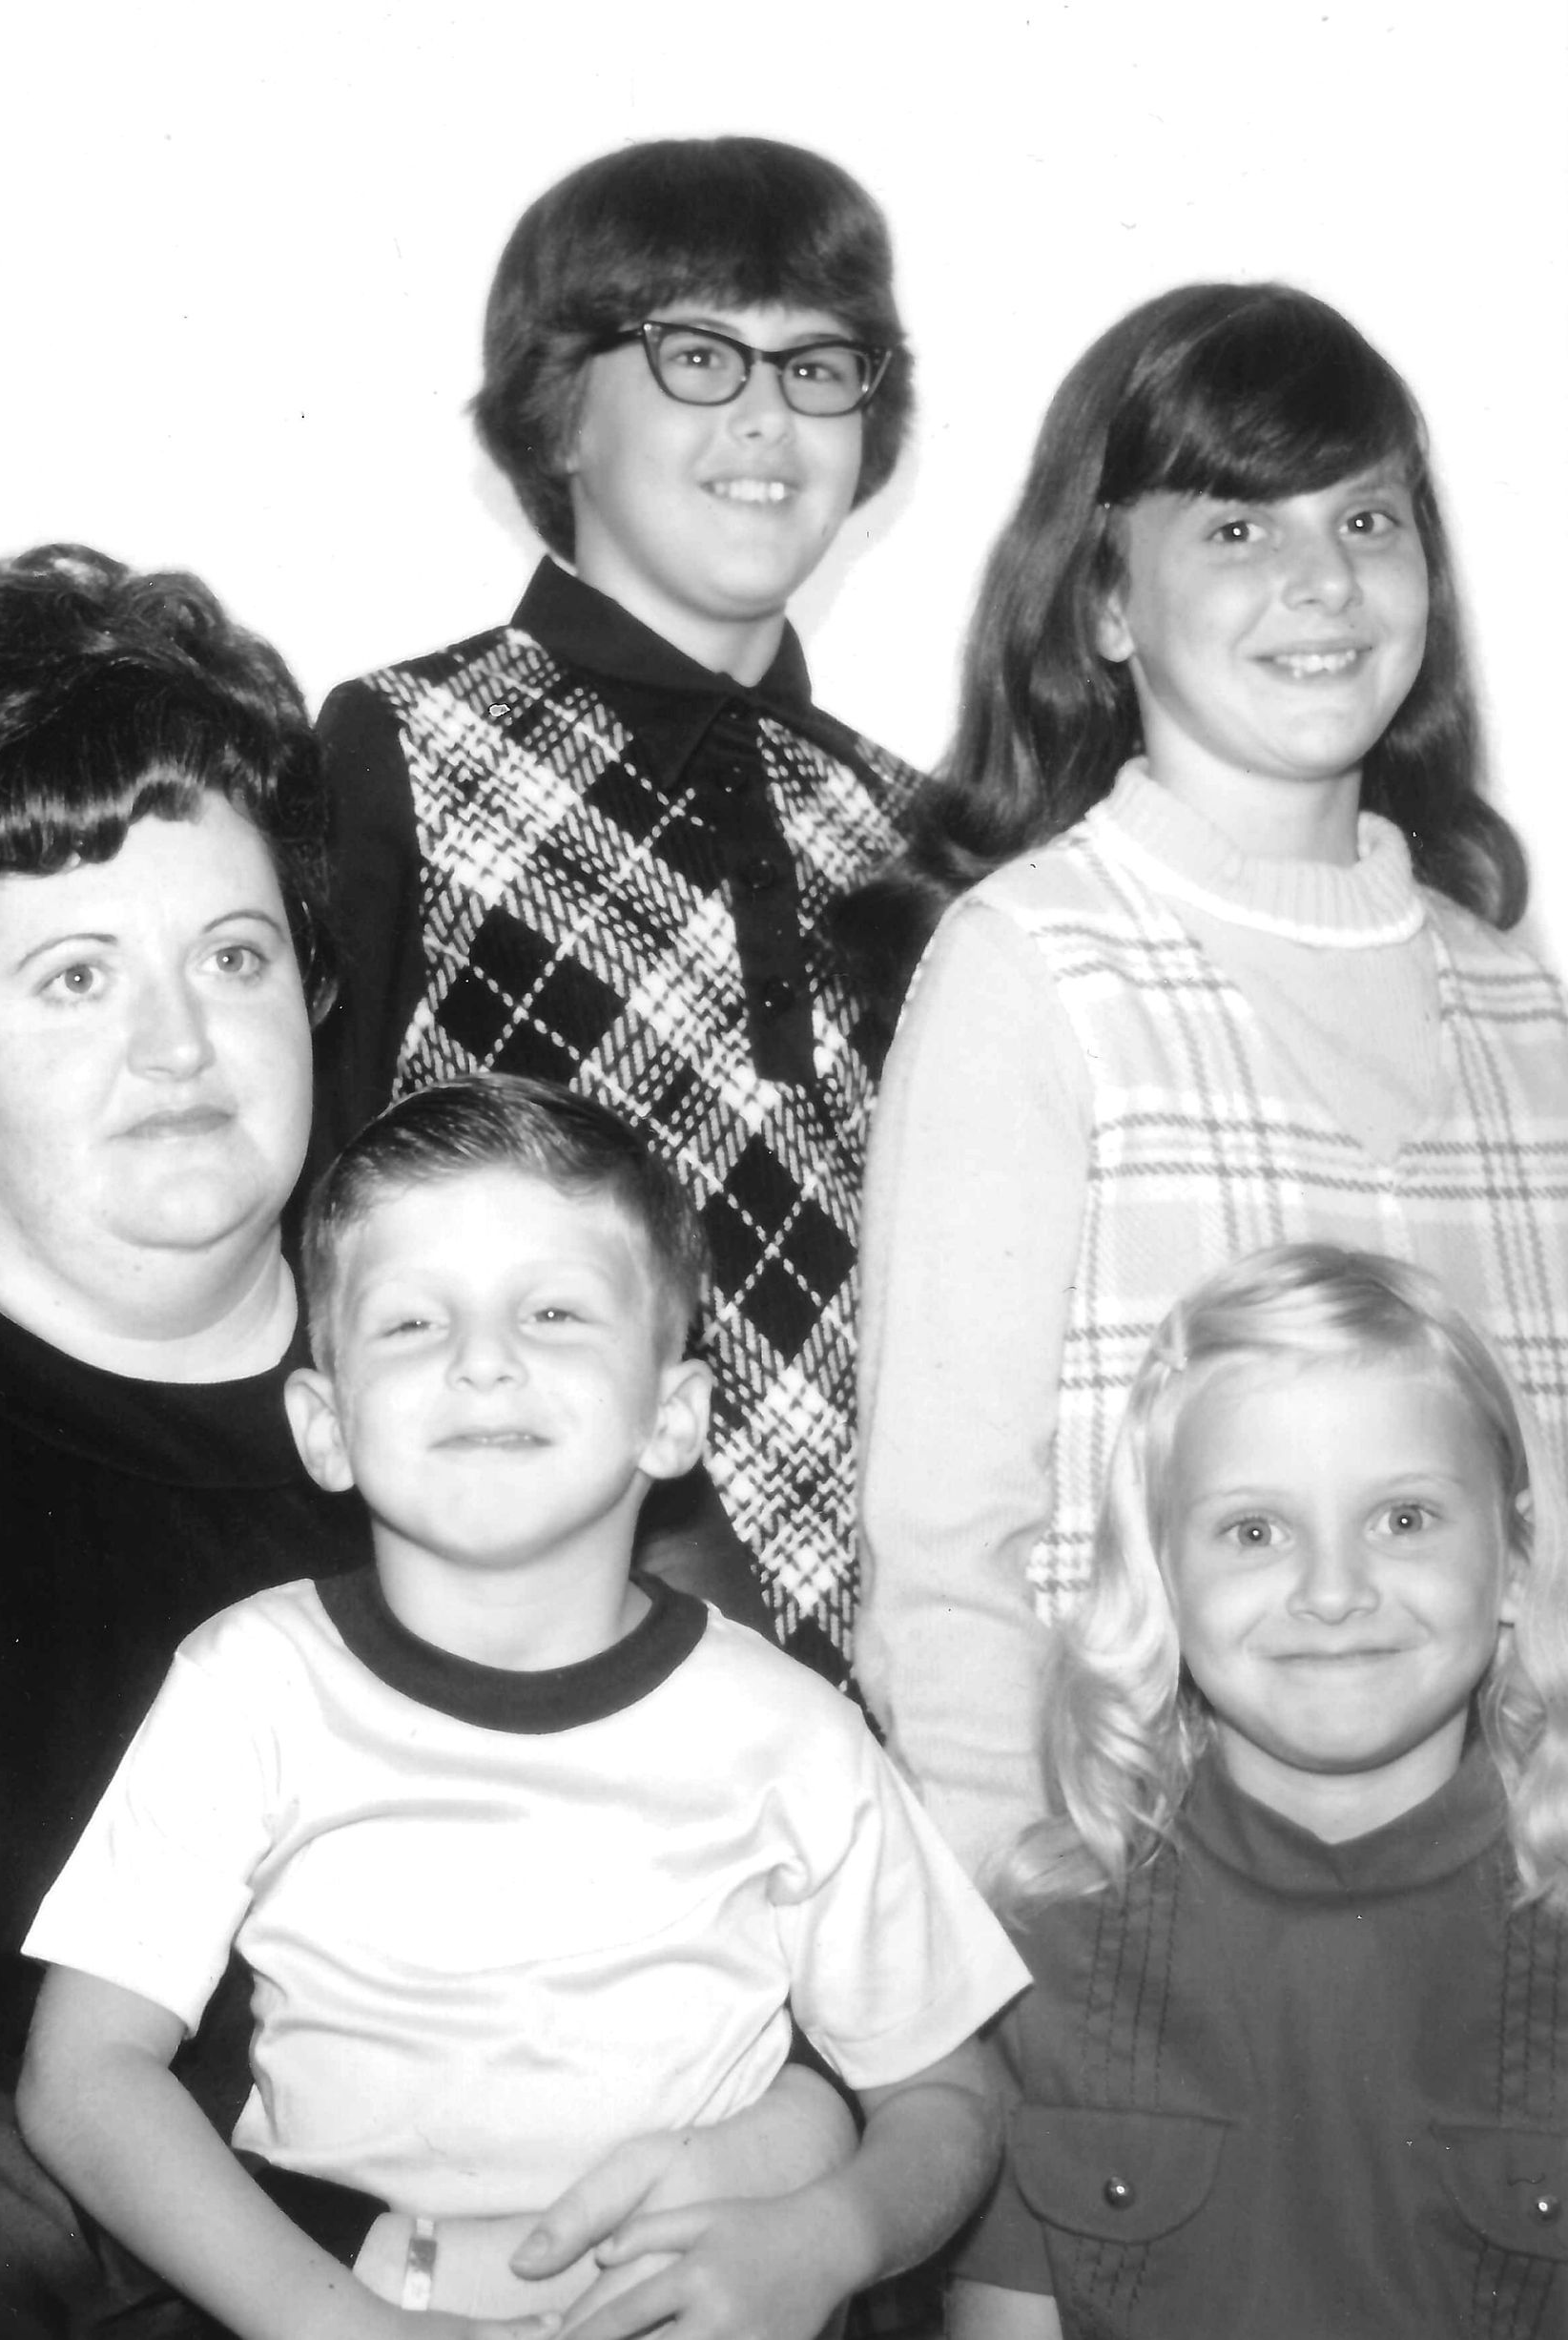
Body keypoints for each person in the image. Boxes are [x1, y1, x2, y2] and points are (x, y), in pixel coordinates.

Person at [0, 556, 757, 2340]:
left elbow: (792, 1890)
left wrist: (781, 2210)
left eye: (233, 953)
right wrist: (416, 2281)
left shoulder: (512, 1362)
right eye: (74, 977)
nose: (181, 1042)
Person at [18, 1074, 1030, 2340]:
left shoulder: (795, 1733)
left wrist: (826, 2240)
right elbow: (83, 2077)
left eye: (552, 1311)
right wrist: (335, 2326)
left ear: (672, 1417)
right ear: (326, 1427)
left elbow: (950, 2099)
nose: (483, 1359)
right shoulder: (251, 1684)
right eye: (410, 1323)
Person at [853, 282, 1568, 1873]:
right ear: (1107, 600)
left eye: (1367, 520)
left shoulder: (1524, 1012)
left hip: (1500, 1924)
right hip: (1143, 1919)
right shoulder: (1033, 969)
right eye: (1238, 529)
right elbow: (945, 1554)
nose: (1324, 580)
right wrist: (1032, 1931)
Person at [313, 135, 923, 1688]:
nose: (768, 416)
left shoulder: (914, 827)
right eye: (699, 355)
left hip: (882, 1665)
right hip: (530, 1641)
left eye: (819, 364)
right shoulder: (405, 747)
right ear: (559, 410)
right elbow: (312, 1235)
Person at [946, 1243, 1568, 2338]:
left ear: (1515, 1560)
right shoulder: (1043, 1951)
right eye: (1255, 1530)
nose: (1333, 1589)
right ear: (1162, 1576)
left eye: (1404, 1517)